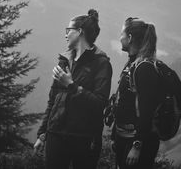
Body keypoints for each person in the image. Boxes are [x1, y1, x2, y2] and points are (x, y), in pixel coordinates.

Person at [34, 9, 112, 169]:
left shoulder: (101, 63)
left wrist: (71, 85)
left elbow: (99, 103)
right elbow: (53, 99)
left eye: (68, 30)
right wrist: (42, 134)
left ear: (80, 31)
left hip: (84, 138)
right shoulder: (64, 60)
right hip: (56, 134)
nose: (65, 35)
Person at [112, 17, 162, 169]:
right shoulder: (133, 63)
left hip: (135, 142)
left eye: (122, 34)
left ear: (130, 38)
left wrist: (137, 146)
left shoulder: (144, 68)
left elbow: (147, 110)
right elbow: (126, 103)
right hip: (125, 138)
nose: (120, 38)